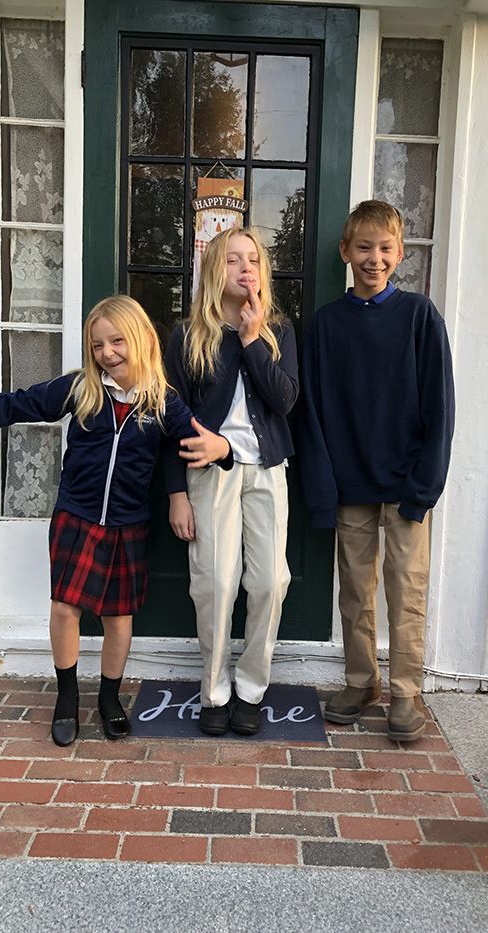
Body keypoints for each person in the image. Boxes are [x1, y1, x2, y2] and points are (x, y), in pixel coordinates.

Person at [0, 295, 232, 747]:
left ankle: (108, 697)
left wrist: (223, 450)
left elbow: (200, 442)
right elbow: (13, 405)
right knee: (65, 608)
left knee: (118, 617)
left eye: (117, 341)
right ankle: (67, 697)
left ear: (143, 339)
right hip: (77, 517)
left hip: (127, 524)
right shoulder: (81, 390)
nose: (107, 353)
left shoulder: (163, 403)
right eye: (98, 344)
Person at [301, 200, 455, 742]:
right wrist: (325, 487)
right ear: (345, 251)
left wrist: (425, 485)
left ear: (400, 253)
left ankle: (406, 693)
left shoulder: (419, 316)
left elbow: (440, 407)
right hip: (352, 485)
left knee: (406, 591)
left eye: (385, 248)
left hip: (408, 483)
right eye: (364, 247)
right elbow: (313, 410)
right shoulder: (326, 325)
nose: (375, 258)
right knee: (355, 591)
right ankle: (361, 680)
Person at [164, 226, 298, 737]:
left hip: (267, 467)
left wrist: (251, 338)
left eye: (254, 260)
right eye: (233, 260)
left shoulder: (277, 331)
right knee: (216, 584)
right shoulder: (188, 336)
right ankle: (215, 691)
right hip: (208, 473)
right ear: (213, 271)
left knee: (270, 581)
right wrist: (176, 492)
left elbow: (284, 400)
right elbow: (171, 418)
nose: (246, 268)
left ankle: (251, 687)